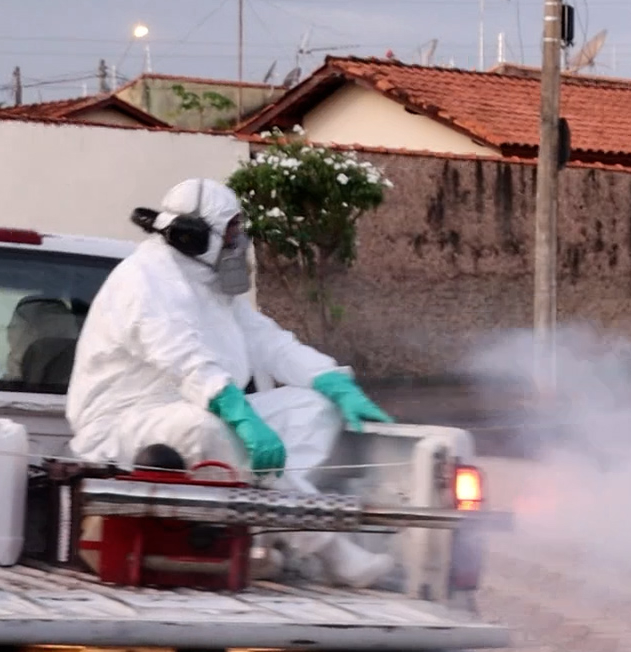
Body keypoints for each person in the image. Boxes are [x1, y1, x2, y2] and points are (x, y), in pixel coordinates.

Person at [66, 178, 396, 587]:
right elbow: (186, 360)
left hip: (196, 409)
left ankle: (265, 524)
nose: (238, 240)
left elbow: (268, 342)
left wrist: (331, 381)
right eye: (232, 229)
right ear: (195, 236)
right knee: (209, 429)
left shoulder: (207, 286)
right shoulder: (142, 281)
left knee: (312, 407)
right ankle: (330, 549)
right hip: (123, 425)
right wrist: (240, 416)